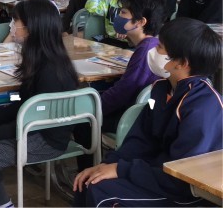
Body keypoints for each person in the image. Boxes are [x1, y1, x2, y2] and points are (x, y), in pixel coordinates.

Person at [73, 18, 222, 207]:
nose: (153, 50)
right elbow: (140, 138)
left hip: (186, 190)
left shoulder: (203, 106)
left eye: (160, 47)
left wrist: (122, 170)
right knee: (88, 183)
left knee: (102, 193)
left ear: (182, 63)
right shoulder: (160, 90)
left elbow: (183, 177)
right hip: (157, 172)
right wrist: (108, 165)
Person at [0, 0, 78, 207]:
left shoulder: (51, 70)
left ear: (30, 28)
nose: (11, 26)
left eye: (15, 21)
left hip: (45, 139)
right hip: (30, 128)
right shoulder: (37, 59)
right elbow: (22, 101)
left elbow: (35, 120)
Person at [76, 0, 165, 171]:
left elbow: (123, 92)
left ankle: (88, 172)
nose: (118, 16)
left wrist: (94, 108)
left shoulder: (145, 51)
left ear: (140, 22)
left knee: (82, 120)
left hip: (134, 116)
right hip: (142, 109)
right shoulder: (154, 44)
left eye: (124, 12)